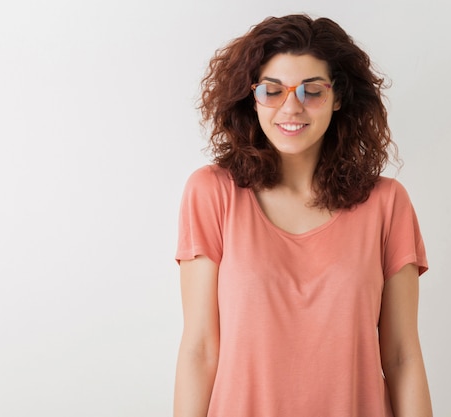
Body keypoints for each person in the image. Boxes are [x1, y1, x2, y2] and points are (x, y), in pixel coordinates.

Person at [173, 14, 432, 417]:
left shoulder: (387, 203)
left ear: (339, 96)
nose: (291, 107)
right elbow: (200, 350)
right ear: (251, 96)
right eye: (272, 91)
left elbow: (401, 357)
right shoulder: (212, 194)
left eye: (312, 91)